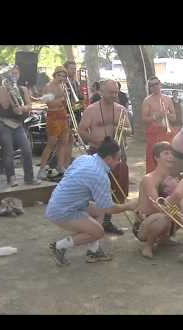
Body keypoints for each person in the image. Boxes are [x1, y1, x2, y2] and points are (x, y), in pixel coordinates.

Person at [46, 137, 135, 266]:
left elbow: (70, 176)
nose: (119, 162)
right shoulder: (100, 175)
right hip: (62, 211)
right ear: (109, 159)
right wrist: (128, 206)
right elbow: (109, 208)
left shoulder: (85, 158)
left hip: (58, 202)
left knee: (99, 211)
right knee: (99, 232)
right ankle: (59, 246)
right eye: (118, 159)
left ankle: (93, 251)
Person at [78, 79, 129, 235]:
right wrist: (98, 142)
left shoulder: (121, 109)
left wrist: (124, 130)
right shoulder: (91, 110)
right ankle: (90, 222)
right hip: (97, 153)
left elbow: (128, 129)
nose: (114, 95)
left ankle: (107, 222)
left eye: (116, 92)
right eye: (111, 92)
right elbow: (82, 130)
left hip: (116, 154)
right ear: (101, 92)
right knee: (97, 190)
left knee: (115, 188)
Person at [133, 141, 180, 258]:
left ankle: (164, 239)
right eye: (166, 153)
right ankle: (148, 246)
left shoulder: (171, 177)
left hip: (160, 216)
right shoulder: (149, 178)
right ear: (156, 158)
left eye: (171, 154)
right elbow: (157, 205)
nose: (170, 156)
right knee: (163, 217)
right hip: (144, 223)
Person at [0, 65, 40, 186]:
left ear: (19, 74)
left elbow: (29, 106)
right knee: (8, 151)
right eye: (11, 73)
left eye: (16, 73)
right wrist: (9, 92)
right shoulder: (2, 89)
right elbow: (4, 106)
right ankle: (11, 178)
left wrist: (23, 108)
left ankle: (29, 178)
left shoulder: (23, 89)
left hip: (18, 124)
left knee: (27, 150)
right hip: (4, 123)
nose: (14, 75)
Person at [37, 66, 70, 179]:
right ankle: (41, 169)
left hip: (62, 116)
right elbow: (49, 104)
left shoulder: (62, 86)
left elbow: (64, 103)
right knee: (51, 143)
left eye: (64, 76)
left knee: (63, 142)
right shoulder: (48, 87)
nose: (62, 78)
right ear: (55, 75)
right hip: (53, 117)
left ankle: (60, 166)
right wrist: (61, 99)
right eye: (60, 75)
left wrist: (65, 102)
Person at [142, 76, 177, 173]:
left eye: (156, 84)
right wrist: (155, 116)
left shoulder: (168, 99)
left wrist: (167, 114)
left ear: (160, 84)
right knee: (153, 158)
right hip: (154, 134)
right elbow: (144, 119)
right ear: (149, 87)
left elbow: (174, 117)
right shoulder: (147, 100)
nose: (155, 87)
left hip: (166, 133)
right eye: (152, 85)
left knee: (169, 158)